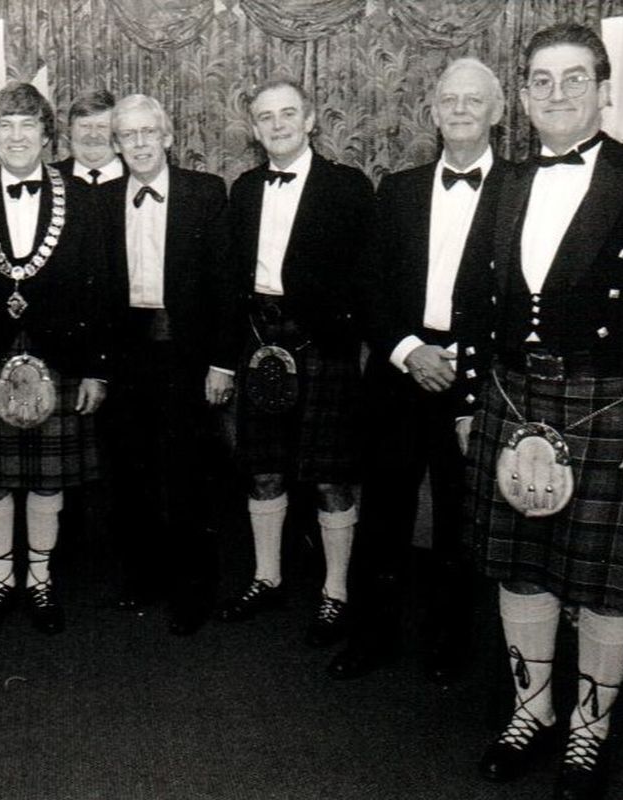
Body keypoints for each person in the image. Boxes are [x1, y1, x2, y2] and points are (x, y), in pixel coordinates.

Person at [460, 23, 623, 800]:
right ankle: (533, 711)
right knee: (522, 568)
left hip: (612, 400)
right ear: (522, 95)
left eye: (573, 78)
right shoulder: (507, 179)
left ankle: (589, 734)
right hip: (513, 395)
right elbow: (473, 300)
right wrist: (470, 402)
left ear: (603, 88)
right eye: (540, 80)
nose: (555, 94)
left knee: (605, 584)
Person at [329, 58, 510, 684]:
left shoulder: (522, 187)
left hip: (479, 377)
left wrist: (464, 359)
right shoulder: (398, 188)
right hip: (402, 370)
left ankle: (451, 643)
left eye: (473, 100)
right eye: (448, 100)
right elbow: (366, 286)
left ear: (497, 111)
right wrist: (408, 350)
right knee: (384, 511)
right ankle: (369, 636)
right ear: (432, 113)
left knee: (464, 517)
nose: (460, 110)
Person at [0, 82, 111, 635]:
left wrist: (95, 367)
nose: (16, 136)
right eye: (5, 126)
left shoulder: (81, 198)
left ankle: (39, 580)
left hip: (58, 355)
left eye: (27, 125)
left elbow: (99, 286)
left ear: (46, 135)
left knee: (45, 481)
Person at [218, 78, 374, 648]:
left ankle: (336, 591)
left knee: (332, 478)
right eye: (266, 117)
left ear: (310, 121)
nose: (278, 124)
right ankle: (267, 577)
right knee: (262, 469)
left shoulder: (348, 186)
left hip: (323, 345)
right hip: (259, 338)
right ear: (255, 129)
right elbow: (231, 274)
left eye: (288, 114)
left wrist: (336, 329)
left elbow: (368, 274)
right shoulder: (244, 188)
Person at [97, 94, 231, 635]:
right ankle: (144, 577)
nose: (140, 143)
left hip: (187, 354)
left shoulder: (205, 193)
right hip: (128, 354)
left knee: (188, 478)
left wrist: (223, 363)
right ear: (117, 145)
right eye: (128, 136)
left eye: (149, 132)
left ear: (168, 137)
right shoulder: (102, 201)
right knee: (132, 472)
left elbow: (224, 284)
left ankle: (192, 593)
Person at [53, 88, 125, 186]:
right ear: (69, 131)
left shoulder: (139, 176)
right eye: (85, 126)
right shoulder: (47, 179)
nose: (93, 134)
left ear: (117, 132)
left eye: (102, 126)